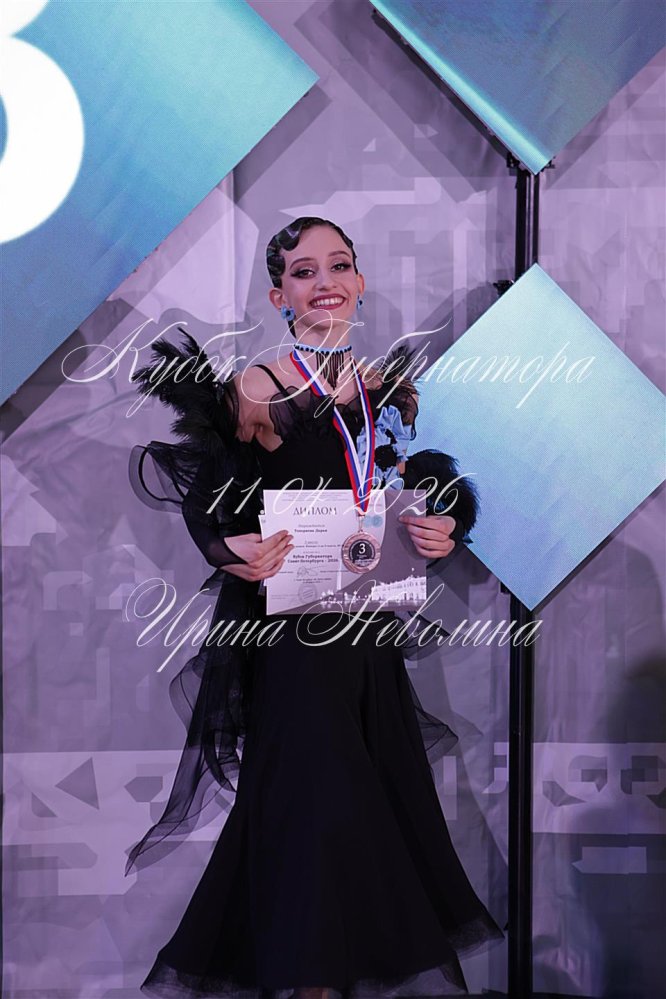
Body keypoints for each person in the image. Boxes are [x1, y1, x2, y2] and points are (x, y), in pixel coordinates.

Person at [126, 216, 505, 998]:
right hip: (292, 641)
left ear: (360, 281)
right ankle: (312, 985)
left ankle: (320, 979)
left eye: (339, 265)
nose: (324, 281)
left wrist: (445, 524)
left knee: (360, 815)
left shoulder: (390, 390)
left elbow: (420, 487)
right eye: (304, 271)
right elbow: (209, 499)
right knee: (314, 812)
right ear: (279, 295)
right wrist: (229, 547)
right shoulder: (257, 390)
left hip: (366, 635)